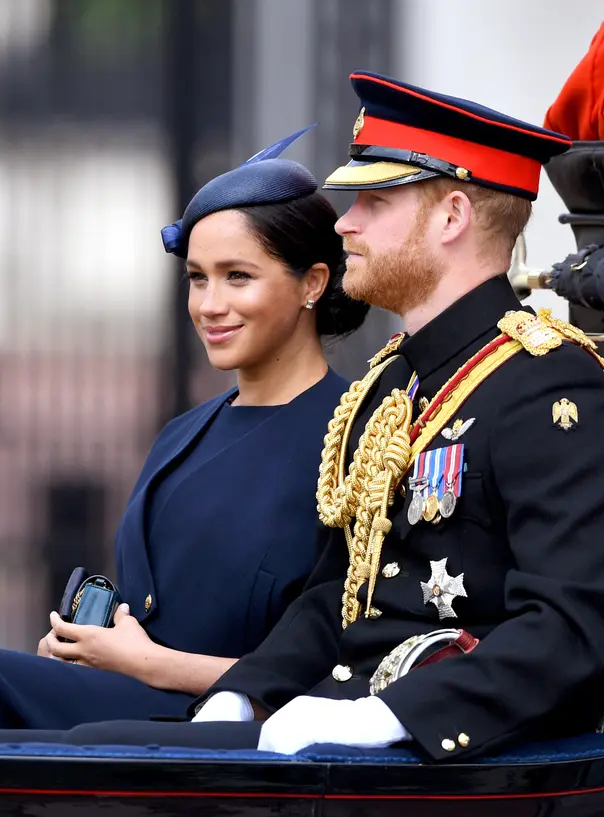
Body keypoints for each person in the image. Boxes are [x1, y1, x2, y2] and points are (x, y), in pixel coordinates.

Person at [0, 72, 604, 761]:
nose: (343, 224)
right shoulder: (395, 379)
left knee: (86, 758)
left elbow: (566, 628)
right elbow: (336, 591)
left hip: (441, 761)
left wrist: (391, 716)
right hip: (331, 725)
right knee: (72, 752)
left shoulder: (550, 389)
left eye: (374, 200)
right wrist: (241, 695)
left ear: (451, 217)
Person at [0, 129, 367, 731]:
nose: (209, 305)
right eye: (198, 278)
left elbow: (340, 667)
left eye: (237, 277)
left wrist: (149, 663)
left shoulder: (354, 435)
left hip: (231, 737)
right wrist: (84, 654)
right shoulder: (183, 433)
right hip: (127, 714)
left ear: (314, 283)